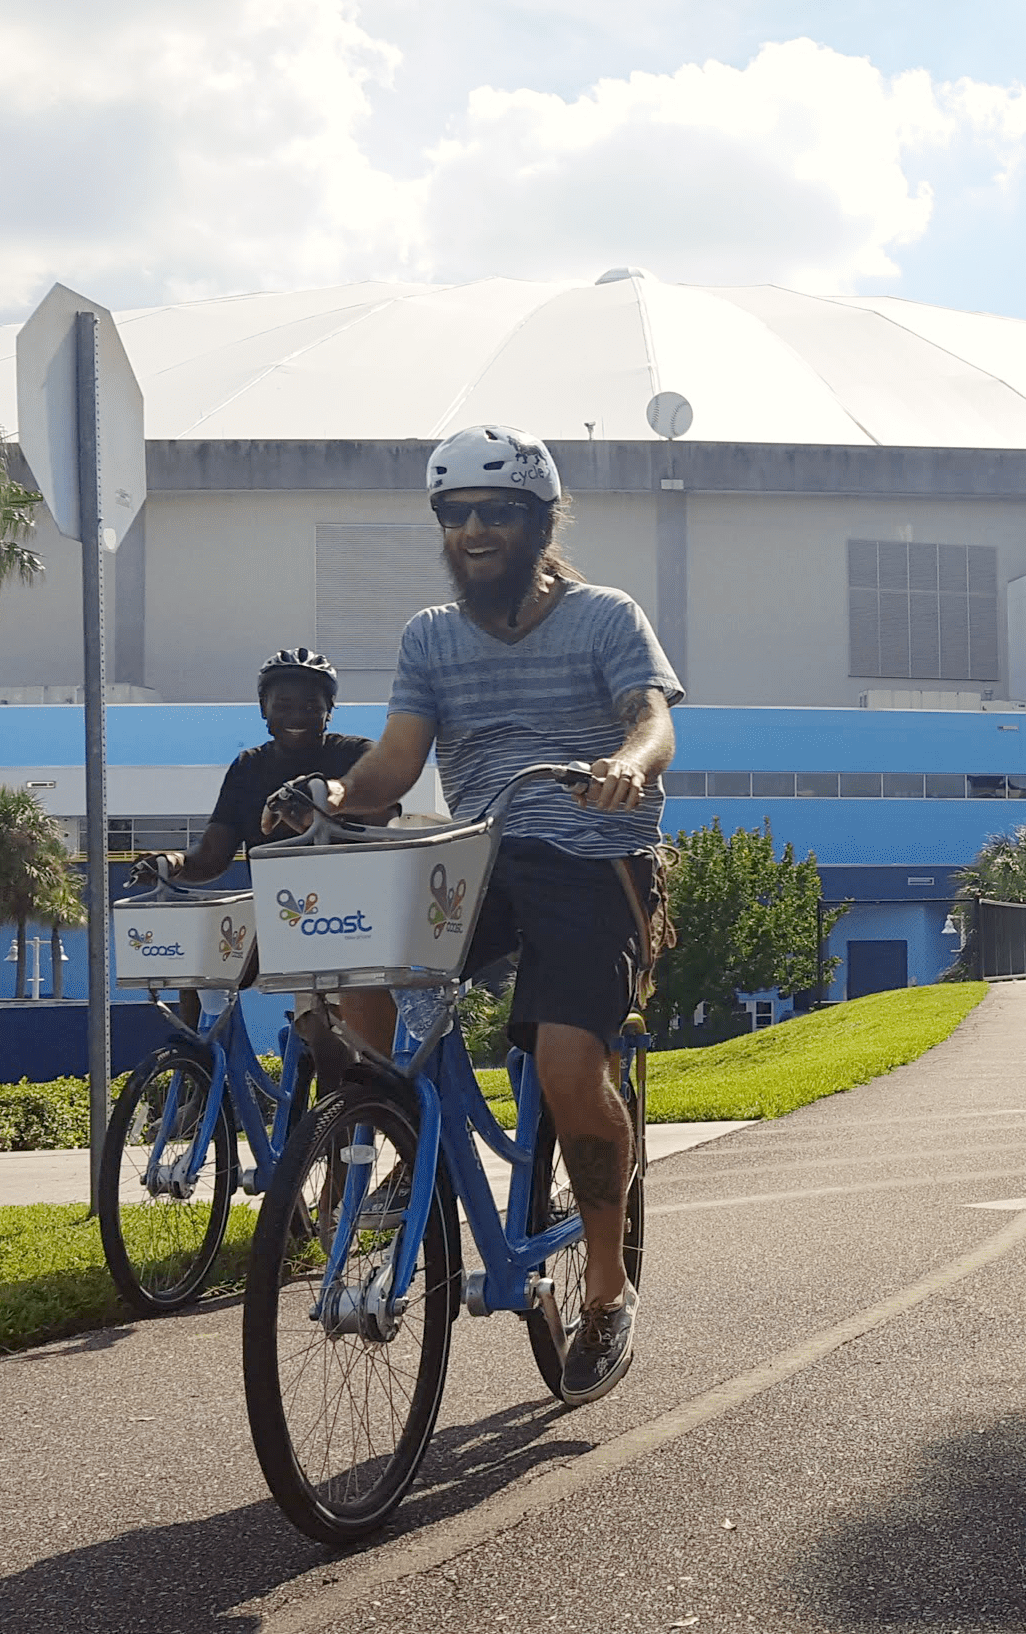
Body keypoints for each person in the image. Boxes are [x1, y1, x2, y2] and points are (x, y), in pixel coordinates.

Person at [285, 425, 682, 1405]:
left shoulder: (605, 617)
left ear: (540, 521)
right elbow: (396, 762)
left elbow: (652, 719)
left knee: (567, 1067)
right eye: (455, 514)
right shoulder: (431, 636)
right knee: (361, 957)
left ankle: (606, 1286)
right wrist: (335, 799)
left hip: (591, 857)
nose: (473, 530)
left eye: (496, 512)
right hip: (478, 861)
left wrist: (626, 767)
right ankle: (396, 1128)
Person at [134, 646, 396, 1052]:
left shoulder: (355, 755)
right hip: (279, 915)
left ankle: (332, 1086)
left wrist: (321, 810)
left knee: (328, 1043)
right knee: (201, 964)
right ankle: (198, 1070)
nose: (297, 717)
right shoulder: (248, 768)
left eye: (310, 706)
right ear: (263, 709)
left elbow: (382, 820)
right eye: (283, 705)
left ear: (330, 710)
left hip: (348, 918)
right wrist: (172, 861)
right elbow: (212, 856)